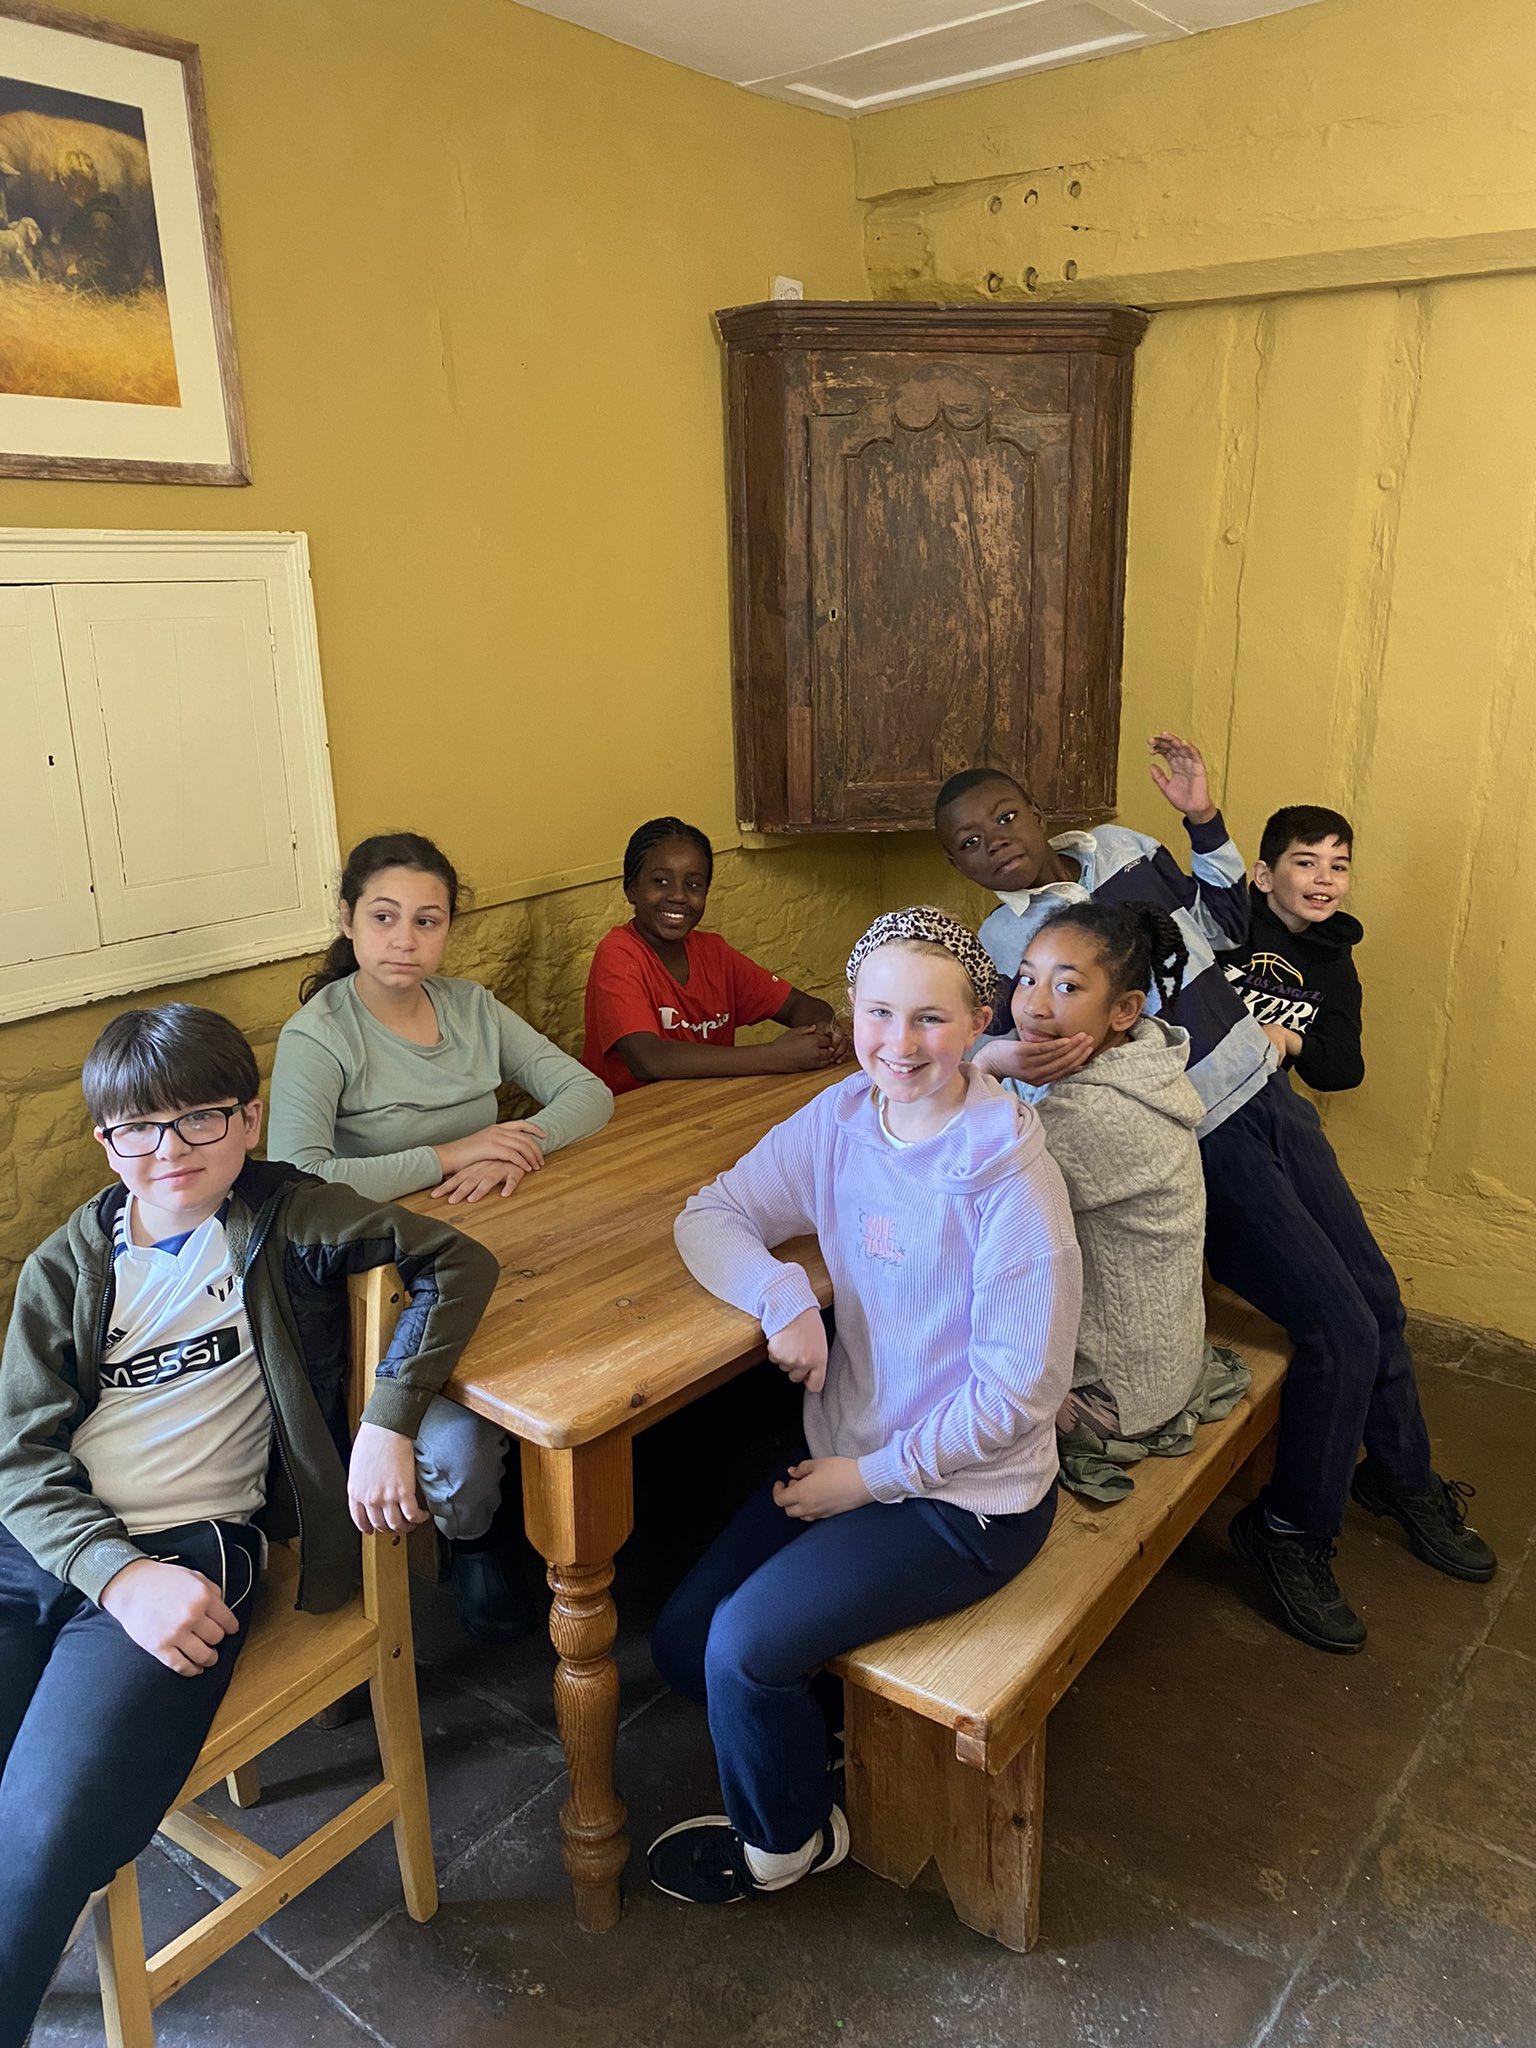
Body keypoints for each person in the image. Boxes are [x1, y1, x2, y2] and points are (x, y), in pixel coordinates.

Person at [0, 1004, 498, 2046]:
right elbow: (21, 1459)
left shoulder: (287, 1217)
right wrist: (108, 1570)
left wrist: (388, 1420)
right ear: (104, 1142)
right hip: (48, 1543)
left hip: (186, 1552)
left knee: (44, 1822)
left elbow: (457, 1262)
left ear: (250, 1119)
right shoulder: (68, 1263)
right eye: (140, 1128)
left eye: (202, 1118)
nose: (171, 1149)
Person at [937, 740, 1494, 1654]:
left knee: (1378, 1299)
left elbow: (1227, 923)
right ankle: (1287, 1533)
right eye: (968, 842)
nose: (994, 841)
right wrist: (995, 1056)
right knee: (1338, 1326)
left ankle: (1400, 1475)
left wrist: (1203, 821)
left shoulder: (1120, 848)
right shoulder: (1010, 946)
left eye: (1005, 817)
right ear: (958, 864)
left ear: (1038, 813)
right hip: (1196, 1138)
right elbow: (1021, 1052)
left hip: (1265, 1091)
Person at [644, 908, 1080, 1906]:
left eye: (931, 1017)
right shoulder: (844, 1117)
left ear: (977, 1022)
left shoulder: (1009, 1178)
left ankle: (789, 1842)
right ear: (851, 1009)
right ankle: (818, 1726)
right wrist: (783, 1296)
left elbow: (1022, 1392)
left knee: (741, 1651)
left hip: (966, 1500)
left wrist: (867, 1479)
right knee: (684, 1647)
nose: (900, 1043)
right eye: (880, 1013)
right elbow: (713, 1212)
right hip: (851, 1457)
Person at [997, 902, 1247, 1500]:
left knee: (920, 1322)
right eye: (1027, 979)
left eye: (1067, 987)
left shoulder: (1091, 1113)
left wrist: (981, 1066)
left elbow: (956, 1185)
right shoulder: (1138, 1058)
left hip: (1111, 1395)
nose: (1033, 1006)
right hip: (1157, 1360)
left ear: (1124, 1010)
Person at [269, 830, 613, 1207]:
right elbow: (298, 1181)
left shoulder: (473, 1007)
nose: (405, 941)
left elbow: (588, 1092)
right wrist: (452, 1155)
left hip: (485, 1209)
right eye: (383, 917)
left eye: (426, 921)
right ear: (348, 919)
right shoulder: (317, 1035)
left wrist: (513, 1149)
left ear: (448, 927)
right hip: (374, 1230)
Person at [580, 817, 850, 1094]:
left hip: (708, 1105)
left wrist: (824, 1030)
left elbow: (799, 1005)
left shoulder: (714, 953)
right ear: (631, 889)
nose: (678, 896)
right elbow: (648, 1060)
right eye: (660, 881)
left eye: (693, 885)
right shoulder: (619, 955)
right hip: (633, 1113)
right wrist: (775, 1056)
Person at [1223, 803, 1364, 1093]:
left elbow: (1346, 1067)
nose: (1325, 878)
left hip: (1248, 1097)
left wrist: (1289, 1039)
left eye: (1338, 867)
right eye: (1306, 863)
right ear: (1264, 877)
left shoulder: (1333, 955)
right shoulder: (1224, 924)